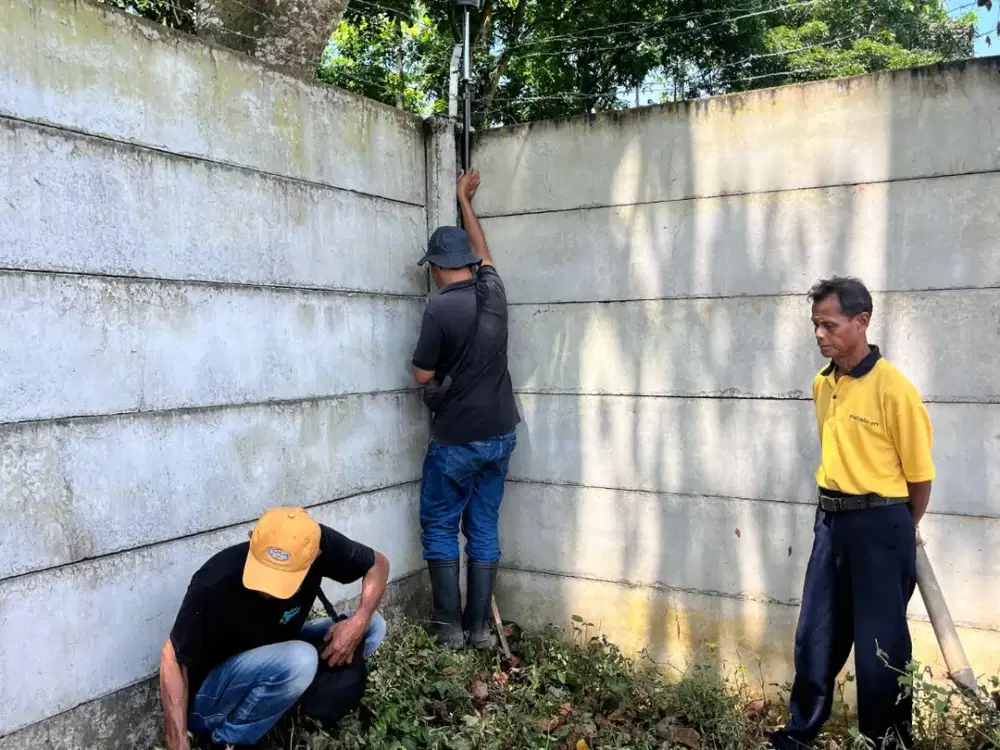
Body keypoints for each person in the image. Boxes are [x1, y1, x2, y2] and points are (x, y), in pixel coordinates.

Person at [769, 277, 935, 749]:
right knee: (814, 637)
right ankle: (798, 735)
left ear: (862, 322)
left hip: (881, 526)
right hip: (831, 523)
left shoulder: (894, 390)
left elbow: (919, 477)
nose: (820, 334)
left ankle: (886, 742)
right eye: (815, 325)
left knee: (880, 650)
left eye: (830, 324)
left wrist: (905, 526)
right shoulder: (823, 386)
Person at [158, 506, 390, 750]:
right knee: (301, 658)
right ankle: (227, 740)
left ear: (315, 556)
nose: (266, 590)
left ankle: (284, 703)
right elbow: (171, 656)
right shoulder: (214, 580)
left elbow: (378, 564)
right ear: (251, 540)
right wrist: (178, 739)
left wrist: (359, 620)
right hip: (213, 697)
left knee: (373, 625)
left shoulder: (311, 542)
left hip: (276, 649)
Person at [410, 168, 520, 650]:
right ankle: (479, 632)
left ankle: (447, 630)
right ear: (472, 263)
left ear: (436, 267)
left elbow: (420, 375)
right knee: (483, 527)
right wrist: (465, 202)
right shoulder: (493, 290)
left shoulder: (439, 309)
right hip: (500, 434)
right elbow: (486, 249)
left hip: (456, 439)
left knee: (439, 525)